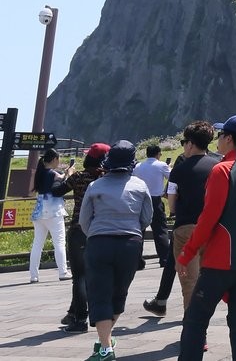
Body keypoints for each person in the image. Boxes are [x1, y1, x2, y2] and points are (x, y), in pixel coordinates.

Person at [177, 115, 236, 361]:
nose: (218, 140)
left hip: (222, 260)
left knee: (195, 320)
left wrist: (187, 253)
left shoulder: (222, 170)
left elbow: (208, 218)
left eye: (220, 136)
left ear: (228, 139)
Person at [79, 140, 153, 361]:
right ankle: (105, 342)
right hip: (129, 243)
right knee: (119, 292)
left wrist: (97, 233)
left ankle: (105, 347)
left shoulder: (96, 186)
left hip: (99, 243)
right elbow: (146, 217)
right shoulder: (140, 186)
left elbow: (84, 220)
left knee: (99, 294)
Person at [143, 121, 220, 317]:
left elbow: (172, 203)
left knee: (189, 282)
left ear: (190, 144)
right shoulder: (218, 166)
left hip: (185, 229)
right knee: (207, 280)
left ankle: (193, 330)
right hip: (212, 228)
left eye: (185, 141)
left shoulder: (179, 170)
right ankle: (203, 323)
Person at [53, 143, 109, 332]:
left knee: (79, 276)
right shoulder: (106, 178)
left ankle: (80, 319)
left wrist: (67, 175)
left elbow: (57, 191)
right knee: (95, 275)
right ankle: (75, 312)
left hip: (79, 230)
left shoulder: (78, 177)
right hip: (101, 231)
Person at [29, 148, 71, 283]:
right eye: (58, 160)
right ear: (54, 159)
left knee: (37, 244)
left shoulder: (40, 172)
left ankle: (34, 276)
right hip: (53, 211)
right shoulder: (53, 173)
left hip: (39, 210)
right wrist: (69, 173)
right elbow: (64, 181)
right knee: (59, 242)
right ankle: (63, 272)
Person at [133, 145, 172, 267]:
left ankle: (137, 261)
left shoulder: (138, 166)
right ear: (158, 154)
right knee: (160, 229)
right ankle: (164, 258)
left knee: (140, 231)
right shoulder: (161, 165)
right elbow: (172, 177)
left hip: (140, 200)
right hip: (155, 199)